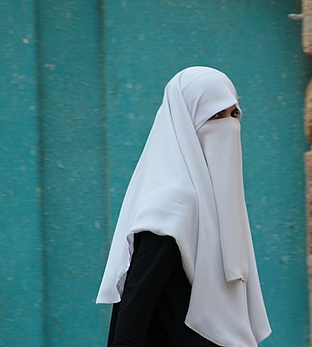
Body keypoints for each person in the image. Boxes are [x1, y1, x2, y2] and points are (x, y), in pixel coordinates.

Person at [96, 67, 272, 346]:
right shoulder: (173, 204)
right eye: (215, 116)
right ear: (186, 122)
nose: (228, 126)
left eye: (233, 114)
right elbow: (136, 302)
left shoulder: (214, 200)